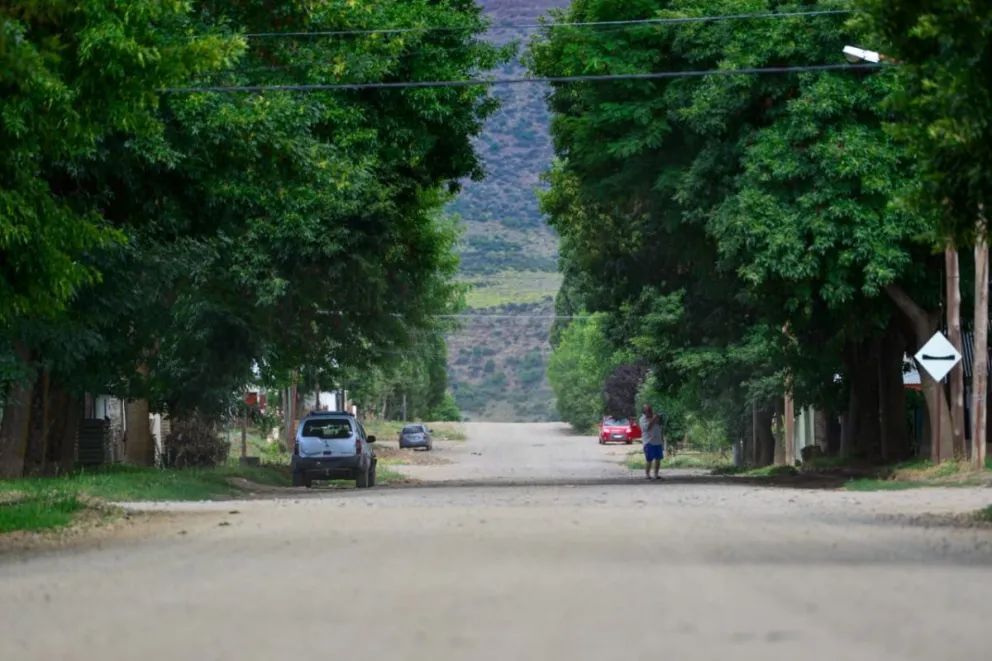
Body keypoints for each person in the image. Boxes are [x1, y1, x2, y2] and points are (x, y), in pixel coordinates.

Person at [639, 404, 664, 480]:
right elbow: (648, 427)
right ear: (644, 411)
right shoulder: (642, 419)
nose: (650, 411)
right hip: (648, 442)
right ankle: (647, 475)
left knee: (658, 459)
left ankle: (656, 474)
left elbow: (660, 425)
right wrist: (654, 419)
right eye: (648, 410)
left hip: (658, 441)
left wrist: (658, 418)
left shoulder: (654, 417)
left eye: (650, 409)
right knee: (649, 459)